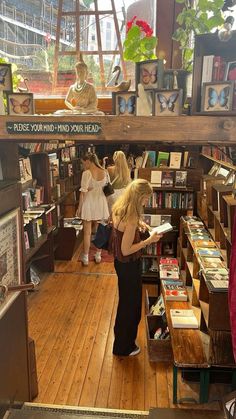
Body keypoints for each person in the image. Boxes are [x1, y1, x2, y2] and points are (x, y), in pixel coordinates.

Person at [110, 179, 162, 356]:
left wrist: (146, 227)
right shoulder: (131, 218)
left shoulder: (120, 207)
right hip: (129, 264)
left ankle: (121, 342)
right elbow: (126, 249)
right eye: (146, 198)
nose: (147, 201)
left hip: (120, 264)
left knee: (125, 303)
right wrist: (148, 241)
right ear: (140, 197)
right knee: (131, 306)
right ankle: (124, 347)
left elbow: (125, 233)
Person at [77, 152, 110, 266]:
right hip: (101, 203)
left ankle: (85, 257)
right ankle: (98, 255)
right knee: (101, 231)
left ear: (88, 161)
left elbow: (83, 193)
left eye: (83, 163)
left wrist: (79, 208)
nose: (83, 165)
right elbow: (106, 189)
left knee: (87, 233)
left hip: (89, 203)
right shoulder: (104, 172)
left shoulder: (86, 173)